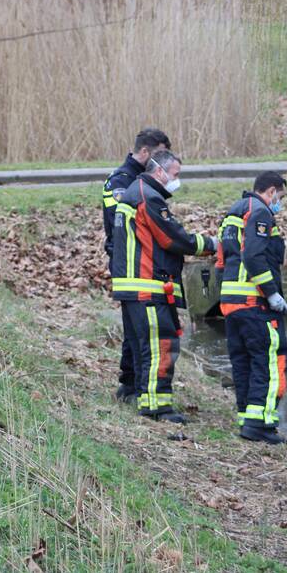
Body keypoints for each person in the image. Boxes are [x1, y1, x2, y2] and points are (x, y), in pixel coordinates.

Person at [109, 151, 217, 423]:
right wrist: (213, 245)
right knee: (160, 346)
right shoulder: (149, 198)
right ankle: (158, 407)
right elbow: (174, 239)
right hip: (149, 287)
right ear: (160, 171)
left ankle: (144, 398)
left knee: (141, 346)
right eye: (175, 175)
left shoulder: (135, 192)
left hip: (132, 287)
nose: (176, 181)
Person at [217, 171, 287, 444]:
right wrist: (271, 293)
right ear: (271, 191)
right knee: (269, 362)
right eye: (280, 197)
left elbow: (222, 260)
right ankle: (262, 424)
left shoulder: (233, 213)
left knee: (243, 363)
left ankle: (247, 419)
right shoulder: (260, 212)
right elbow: (253, 255)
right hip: (255, 303)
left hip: (232, 304)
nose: (279, 203)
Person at [101, 128, 171, 403]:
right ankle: (136, 386)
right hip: (130, 263)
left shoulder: (139, 180)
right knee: (139, 330)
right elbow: (126, 227)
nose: (161, 162)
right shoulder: (124, 181)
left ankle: (130, 384)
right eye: (158, 155)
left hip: (134, 261)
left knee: (135, 329)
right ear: (144, 152)